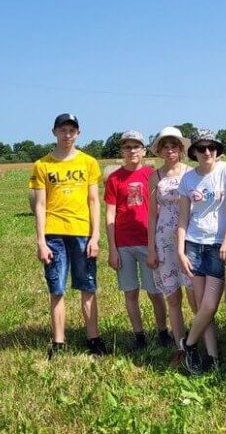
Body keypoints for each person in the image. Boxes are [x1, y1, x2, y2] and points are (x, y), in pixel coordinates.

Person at [29, 113, 108, 359]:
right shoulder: (42, 165)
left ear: (78, 133)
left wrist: (95, 237)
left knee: (88, 287)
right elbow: (40, 206)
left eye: (71, 130)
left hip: (82, 233)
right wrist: (41, 241)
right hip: (53, 234)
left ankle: (93, 338)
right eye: (62, 130)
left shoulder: (89, 163)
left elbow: (94, 201)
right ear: (54, 132)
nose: (67, 135)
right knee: (57, 289)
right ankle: (59, 342)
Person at [177, 130, 226, 374]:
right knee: (200, 307)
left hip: (218, 246)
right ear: (194, 152)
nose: (207, 152)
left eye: (211, 147)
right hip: (194, 245)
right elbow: (183, 218)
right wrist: (180, 249)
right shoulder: (188, 180)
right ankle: (212, 357)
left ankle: (187, 344)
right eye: (201, 148)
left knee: (209, 306)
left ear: (217, 150)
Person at [105, 130, 169, 351]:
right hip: (123, 243)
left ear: (143, 150)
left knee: (155, 292)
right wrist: (112, 249)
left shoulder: (153, 175)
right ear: (122, 151)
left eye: (136, 146)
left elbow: (160, 209)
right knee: (131, 292)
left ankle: (163, 332)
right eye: (127, 147)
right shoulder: (114, 178)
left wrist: (157, 243)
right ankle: (139, 336)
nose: (131, 151)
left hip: (148, 241)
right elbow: (110, 215)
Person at [146, 126, 196, 364]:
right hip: (163, 240)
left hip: (188, 239)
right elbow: (152, 216)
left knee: (195, 296)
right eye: (164, 146)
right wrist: (151, 248)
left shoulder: (190, 172)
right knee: (173, 297)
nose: (169, 150)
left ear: (181, 149)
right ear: (159, 150)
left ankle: (203, 342)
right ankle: (181, 345)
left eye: (174, 145)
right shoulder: (154, 177)